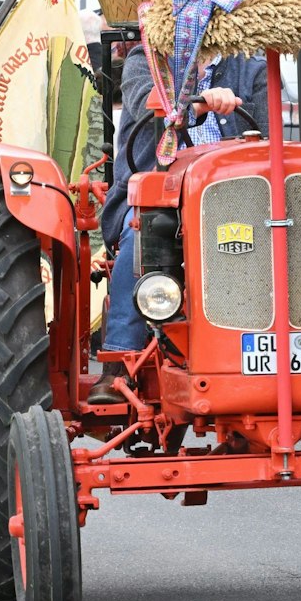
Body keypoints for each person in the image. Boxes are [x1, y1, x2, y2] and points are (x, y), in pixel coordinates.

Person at [95, 26, 255, 402]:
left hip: (236, 198)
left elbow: (262, 130)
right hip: (159, 201)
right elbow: (140, 103)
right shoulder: (145, 61)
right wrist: (196, 105)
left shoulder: (250, 67)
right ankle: (119, 362)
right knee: (140, 239)